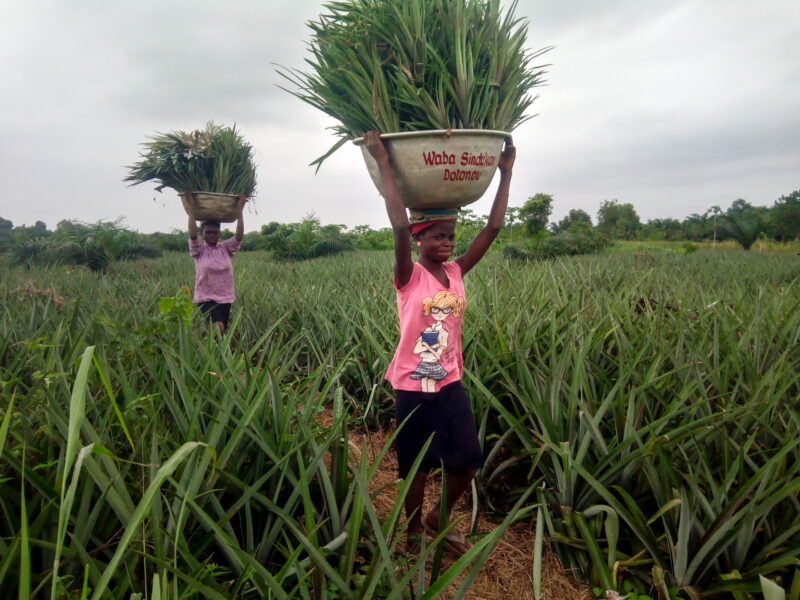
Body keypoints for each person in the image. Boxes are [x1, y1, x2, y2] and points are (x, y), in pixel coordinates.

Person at [363, 130, 515, 557]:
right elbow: (397, 221)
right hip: (413, 387)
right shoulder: (408, 276)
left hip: (449, 383)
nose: (446, 242)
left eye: (450, 235)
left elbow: (494, 226)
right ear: (419, 238)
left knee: (467, 461)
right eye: (437, 236)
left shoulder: (458, 271)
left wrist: (505, 173)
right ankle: (412, 533)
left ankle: (436, 520)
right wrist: (384, 162)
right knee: (415, 470)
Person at [186, 191, 246, 335]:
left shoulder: (225, 248)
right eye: (208, 233)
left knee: (221, 331)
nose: (211, 235)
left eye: (214, 233)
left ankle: (217, 355)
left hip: (225, 297)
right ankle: (222, 354)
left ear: (219, 234)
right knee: (218, 329)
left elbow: (239, 236)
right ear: (203, 233)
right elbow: (193, 234)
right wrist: (191, 208)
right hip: (205, 297)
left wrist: (239, 209)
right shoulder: (199, 250)